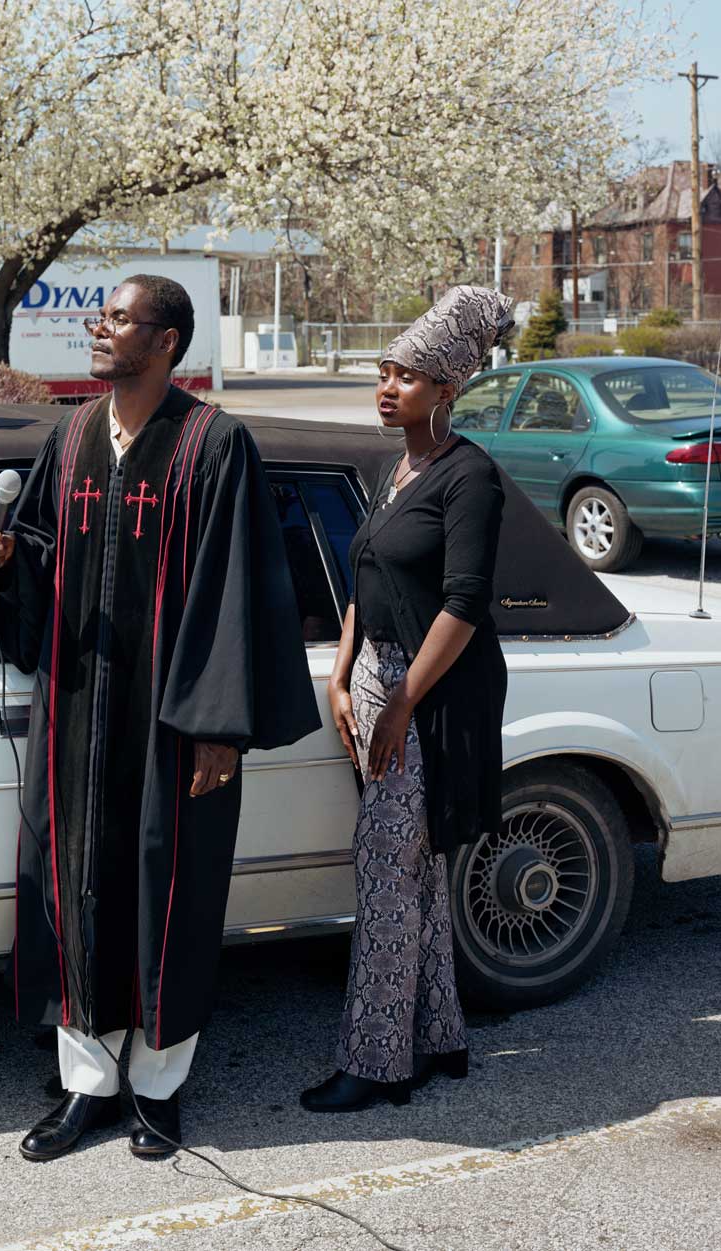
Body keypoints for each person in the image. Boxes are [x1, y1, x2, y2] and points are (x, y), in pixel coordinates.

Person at [0, 274, 320, 1161]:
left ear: (166, 342)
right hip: (77, 713)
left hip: (171, 722)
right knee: (74, 885)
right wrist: (2, 562)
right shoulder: (73, 434)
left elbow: (236, 590)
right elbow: (43, 552)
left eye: (120, 319)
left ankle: (160, 1092)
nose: (101, 328)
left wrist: (217, 726)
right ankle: (88, 1085)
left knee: (171, 891)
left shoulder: (214, 444)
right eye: (104, 315)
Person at [300, 285, 513, 1114]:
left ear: (449, 387)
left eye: (409, 375)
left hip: (434, 691)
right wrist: (343, 667)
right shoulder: (398, 468)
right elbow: (367, 576)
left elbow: (463, 603)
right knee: (413, 871)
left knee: (387, 871)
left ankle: (379, 1061)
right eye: (385, 371)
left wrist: (398, 703)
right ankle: (441, 1035)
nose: (388, 386)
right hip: (378, 676)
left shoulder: (471, 479)